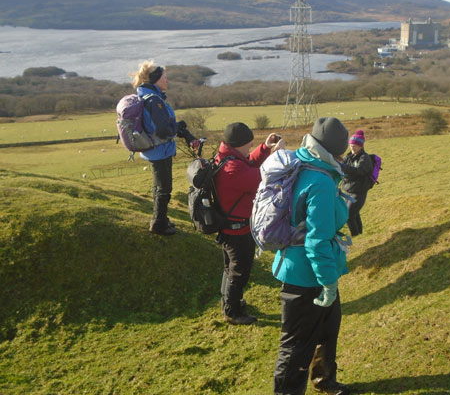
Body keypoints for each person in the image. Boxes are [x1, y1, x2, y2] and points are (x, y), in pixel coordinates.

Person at [272, 117, 351, 395]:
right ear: (334, 150)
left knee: (328, 331)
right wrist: (328, 283)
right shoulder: (320, 180)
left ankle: (324, 379)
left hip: (308, 269)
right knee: (295, 346)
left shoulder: (304, 162)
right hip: (306, 277)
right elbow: (317, 241)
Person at [214, 122, 285, 325]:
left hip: (228, 226)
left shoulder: (226, 157)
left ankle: (228, 301)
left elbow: (248, 163)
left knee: (230, 268)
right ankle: (232, 311)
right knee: (239, 271)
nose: (250, 147)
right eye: (249, 144)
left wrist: (264, 147)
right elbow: (262, 176)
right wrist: (275, 155)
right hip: (238, 230)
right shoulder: (233, 169)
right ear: (238, 145)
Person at [131, 60, 200, 235]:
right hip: (160, 151)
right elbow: (163, 131)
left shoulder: (147, 95)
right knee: (164, 189)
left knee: (158, 187)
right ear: (155, 79)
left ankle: (160, 219)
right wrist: (177, 128)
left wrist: (178, 128)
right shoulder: (155, 100)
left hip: (154, 149)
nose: (167, 81)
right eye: (164, 77)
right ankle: (158, 224)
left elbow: (159, 126)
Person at [340, 129, 374, 237]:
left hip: (358, 192)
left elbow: (359, 171)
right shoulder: (349, 156)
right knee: (354, 213)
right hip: (348, 190)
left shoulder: (365, 158)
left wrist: (344, 167)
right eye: (351, 145)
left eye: (354, 145)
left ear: (361, 146)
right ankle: (360, 234)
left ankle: (354, 235)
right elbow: (342, 166)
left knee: (348, 215)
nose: (352, 147)